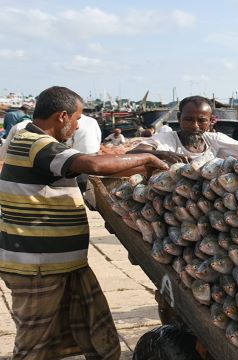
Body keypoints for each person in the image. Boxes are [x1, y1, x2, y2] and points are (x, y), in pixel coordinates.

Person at [0, 86, 167, 360]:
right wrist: (147, 157)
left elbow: (91, 165)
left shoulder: (38, 143)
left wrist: (144, 165)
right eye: (77, 119)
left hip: (65, 262)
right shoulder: (37, 144)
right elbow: (94, 165)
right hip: (37, 266)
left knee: (96, 330)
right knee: (34, 344)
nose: (78, 126)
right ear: (62, 116)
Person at [128, 95, 238, 163]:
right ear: (179, 118)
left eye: (202, 121)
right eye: (189, 120)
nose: (195, 126)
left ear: (210, 121)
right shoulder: (165, 140)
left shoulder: (215, 140)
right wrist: (163, 154)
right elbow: (132, 153)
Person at [67, 114, 103, 192]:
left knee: (80, 180)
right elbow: (99, 137)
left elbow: (68, 142)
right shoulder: (92, 120)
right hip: (94, 153)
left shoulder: (71, 121)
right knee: (91, 178)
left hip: (78, 155)